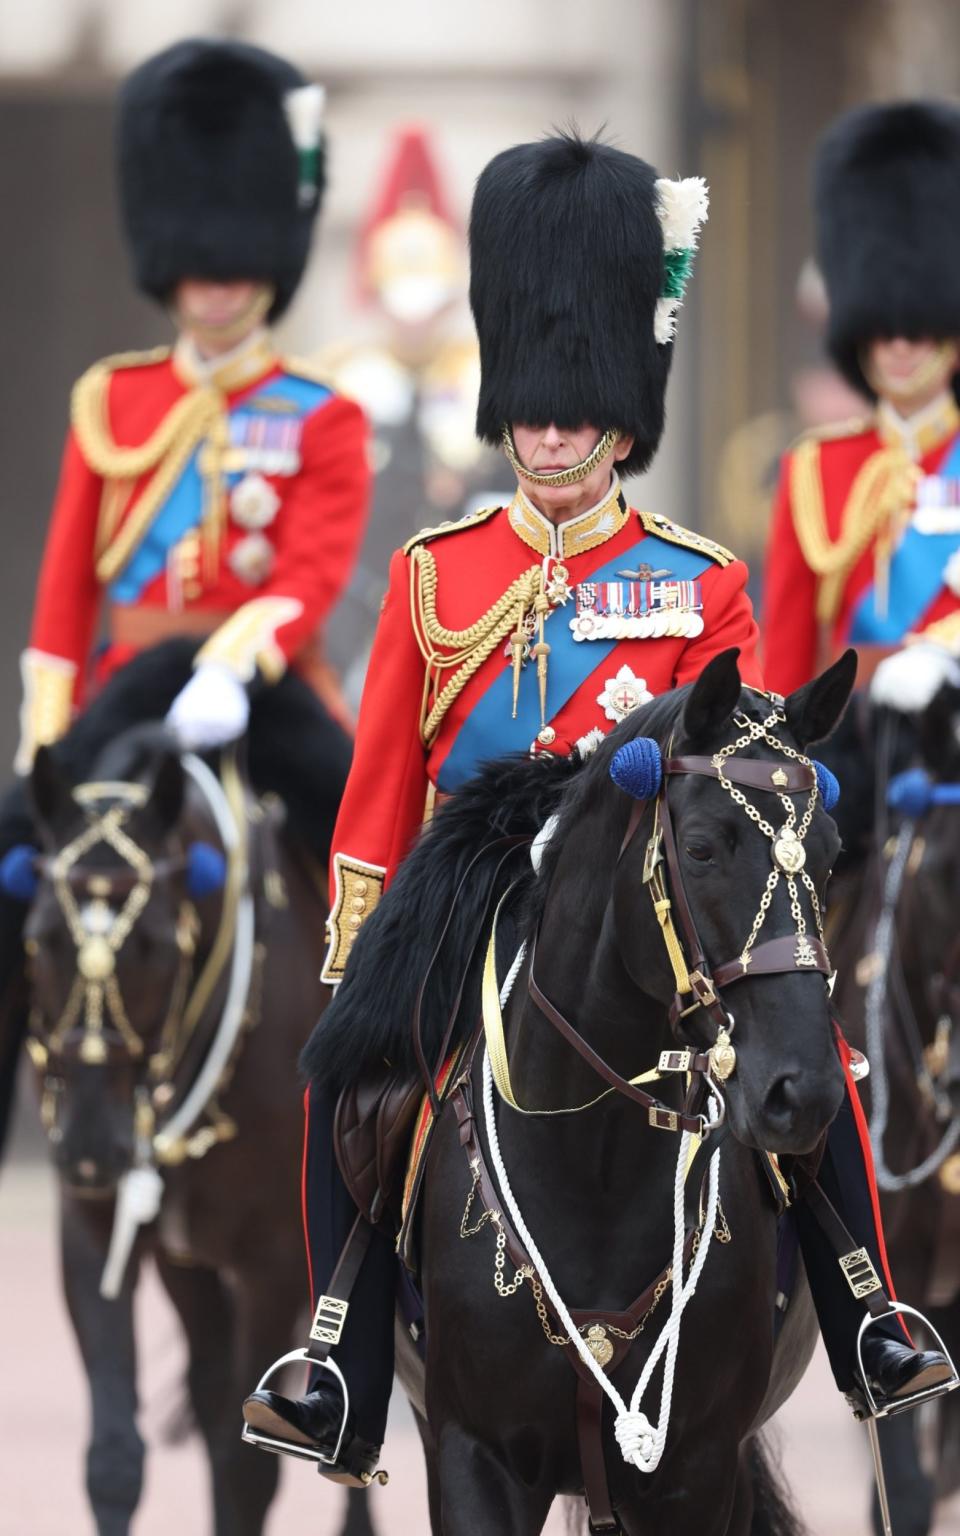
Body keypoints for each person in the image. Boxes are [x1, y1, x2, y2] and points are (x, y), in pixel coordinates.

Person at [243, 131, 951, 1489]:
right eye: (535, 409)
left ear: (624, 417)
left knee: (821, 1060)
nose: (554, 433)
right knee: (352, 1080)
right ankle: (336, 1355)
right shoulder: (435, 574)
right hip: (470, 890)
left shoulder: (697, 581)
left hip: (650, 895)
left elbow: (737, 750)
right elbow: (387, 763)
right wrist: (360, 928)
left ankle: (866, 1315)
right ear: (506, 407)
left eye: (578, 411)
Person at [0, 39, 371, 1155]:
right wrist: (48, 734)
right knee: (13, 860)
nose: (217, 283)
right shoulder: (112, 402)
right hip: (134, 682)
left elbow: (311, 572)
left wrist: (238, 658)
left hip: (255, 680)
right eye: (199, 264)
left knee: (377, 849)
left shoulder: (320, 414)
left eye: (238, 263)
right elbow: (68, 586)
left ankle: (387, 1112)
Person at [763, 102, 960, 712]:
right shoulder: (815, 468)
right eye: (882, 330)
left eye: (920, 329)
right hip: (849, 746)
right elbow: (789, 658)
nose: (900, 347)